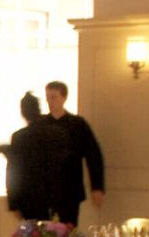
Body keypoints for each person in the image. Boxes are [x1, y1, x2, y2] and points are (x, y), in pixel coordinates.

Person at [42, 80, 105, 224]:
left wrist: (97, 187)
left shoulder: (77, 125)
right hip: (45, 189)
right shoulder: (41, 125)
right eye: (47, 97)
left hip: (70, 189)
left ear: (64, 98)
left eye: (54, 97)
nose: (50, 101)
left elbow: (93, 155)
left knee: (68, 233)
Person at [4, 91, 72, 222]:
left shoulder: (20, 137)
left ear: (23, 112)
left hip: (30, 199)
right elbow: (66, 168)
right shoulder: (58, 133)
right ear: (39, 109)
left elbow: (13, 172)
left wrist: (13, 203)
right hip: (58, 197)